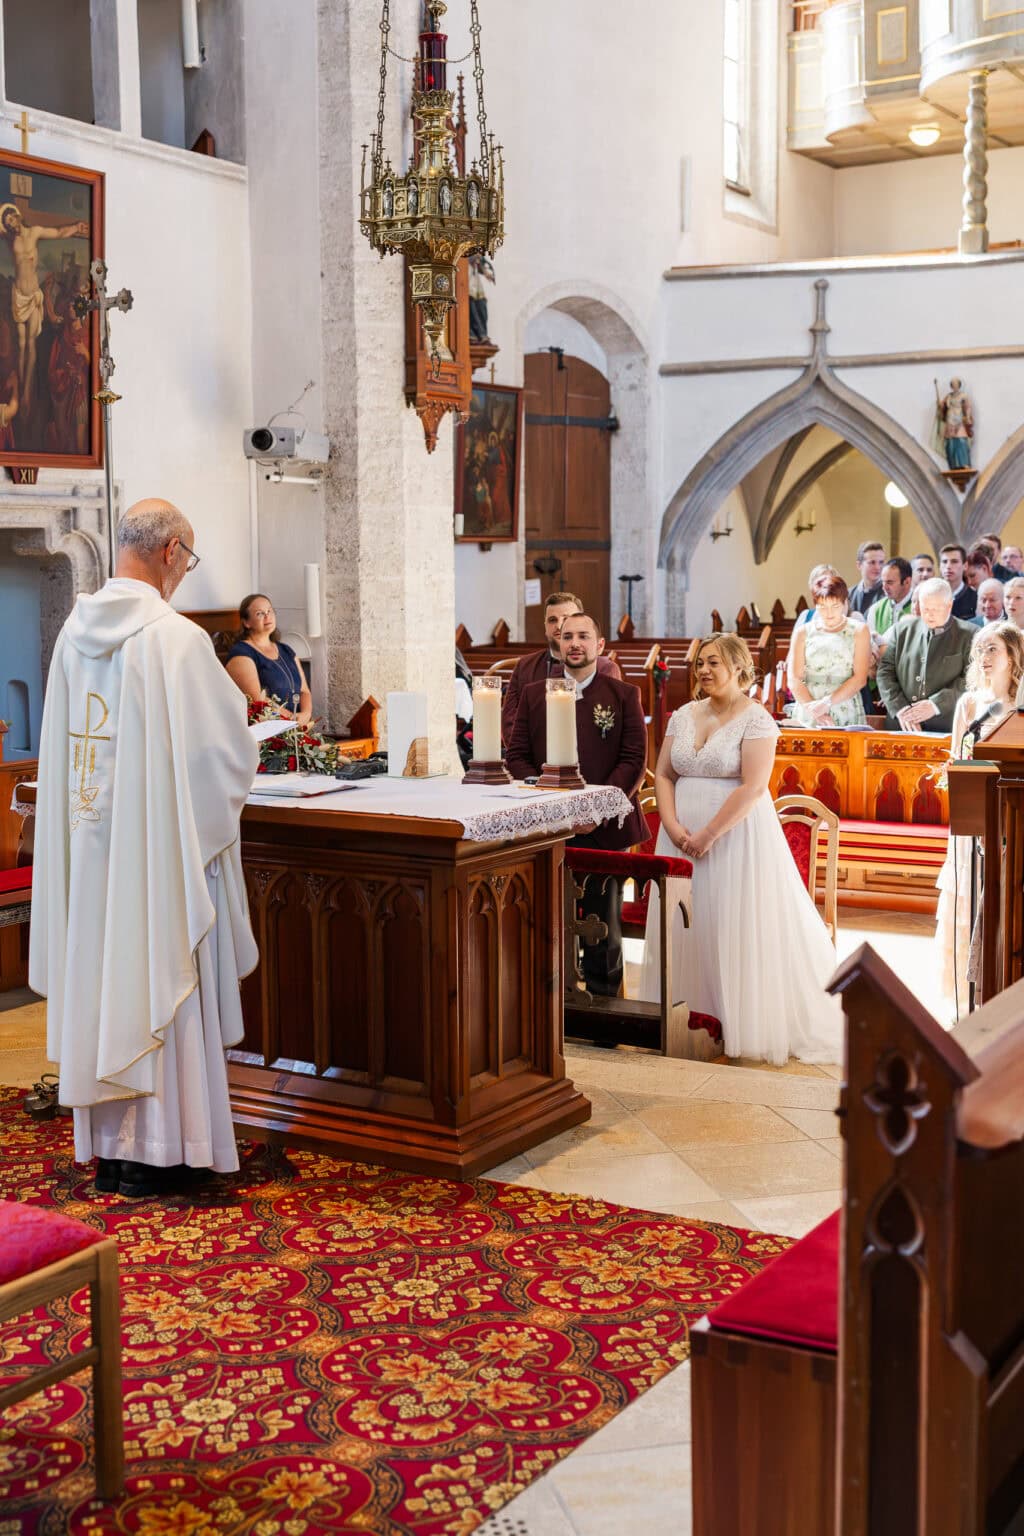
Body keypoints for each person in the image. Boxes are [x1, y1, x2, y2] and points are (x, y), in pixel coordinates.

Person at [29, 500, 259, 1197]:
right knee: (162, 977)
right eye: (188, 560)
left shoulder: (73, 634)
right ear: (170, 552)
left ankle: (114, 1155)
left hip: (90, 856)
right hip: (156, 863)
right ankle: (169, 1153)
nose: (185, 574)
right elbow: (225, 755)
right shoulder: (176, 640)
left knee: (103, 983)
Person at [639, 633, 841, 1064]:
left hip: (733, 836)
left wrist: (709, 834)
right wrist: (672, 826)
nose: (704, 671)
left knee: (727, 920)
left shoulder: (756, 719)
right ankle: (680, 1017)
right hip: (678, 836)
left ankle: (735, 1020)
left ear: (738, 668)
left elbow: (753, 787)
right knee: (685, 923)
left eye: (714, 662)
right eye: (700, 664)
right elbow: (664, 774)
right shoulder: (683, 715)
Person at [507, 614, 646, 996]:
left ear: (599, 645)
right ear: (558, 644)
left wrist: (594, 810)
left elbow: (633, 760)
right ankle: (552, 1005)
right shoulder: (535, 694)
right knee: (546, 923)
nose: (574, 643)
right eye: (567, 636)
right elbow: (517, 757)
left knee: (602, 926)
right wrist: (553, 805)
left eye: (584, 636)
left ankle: (604, 1009)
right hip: (548, 829)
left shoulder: (623, 695)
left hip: (604, 831)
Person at [935, 623, 1024, 1020]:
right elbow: (957, 758)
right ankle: (967, 997)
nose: (984, 657)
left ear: (1013, 657)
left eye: (993, 650)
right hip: (975, 822)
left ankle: (1003, 988)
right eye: (981, 649)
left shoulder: (1020, 707)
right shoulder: (970, 705)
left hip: (1012, 818)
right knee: (969, 901)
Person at [0, 202, 88, 413]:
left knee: (31, 345)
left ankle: (27, 392)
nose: (11, 224)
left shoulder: (35, 232)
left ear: (18, 216)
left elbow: (58, 233)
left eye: (12, 219)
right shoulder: (10, 240)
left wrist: (76, 227)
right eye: (7, 223)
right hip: (19, 296)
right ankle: (21, 387)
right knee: (22, 345)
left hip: (32, 296)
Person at [501, 590, 620, 740]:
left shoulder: (604, 668)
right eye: (552, 620)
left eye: (566, 618)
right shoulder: (525, 666)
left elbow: (606, 724)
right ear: (545, 627)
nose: (559, 626)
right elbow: (509, 723)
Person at [876, 576, 975, 732]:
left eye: (935, 609)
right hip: (901, 725)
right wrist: (900, 709)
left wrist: (935, 704)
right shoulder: (901, 630)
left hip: (947, 726)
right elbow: (884, 672)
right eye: (925, 609)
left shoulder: (970, 634)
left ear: (949, 605)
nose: (929, 615)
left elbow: (972, 679)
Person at [787, 574, 869, 728]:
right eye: (822, 606)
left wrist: (827, 702)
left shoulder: (859, 630)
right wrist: (813, 709)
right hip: (809, 706)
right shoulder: (803, 632)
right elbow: (794, 678)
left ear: (844, 603)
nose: (829, 613)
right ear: (815, 604)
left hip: (844, 705)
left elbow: (860, 678)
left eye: (835, 606)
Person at [226, 594, 312, 726]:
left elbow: (304, 691)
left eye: (269, 611)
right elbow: (257, 699)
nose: (267, 616)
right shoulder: (241, 654)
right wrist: (292, 719)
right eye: (260, 613)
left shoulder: (287, 650)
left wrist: (306, 714)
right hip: (268, 729)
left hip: (297, 726)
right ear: (246, 622)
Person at [867, 557, 913, 638]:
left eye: (890, 582)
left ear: (907, 582)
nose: (884, 587)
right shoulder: (876, 609)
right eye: (883, 582)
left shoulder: (921, 607)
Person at [935, 377, 973, 471]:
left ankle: (964, 463)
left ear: (959, 386)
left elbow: (967, 407)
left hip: (959, 419)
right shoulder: (948, 396)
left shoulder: (963, 396)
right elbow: (943, 406)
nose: (954, 386)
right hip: (950, 419)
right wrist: (940, 405)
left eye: (956, 384)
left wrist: (968, 417)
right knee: (950, 441)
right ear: (951, 386)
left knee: (961, 440)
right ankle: (953, 464)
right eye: (953, 385)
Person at [939, 543, 977, 620]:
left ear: (965, 566)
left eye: (954, 561)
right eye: (944, 562)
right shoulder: (931, 595)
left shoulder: (975, 598)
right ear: (939, 566)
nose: (948, 566)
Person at [848, 541, 886, 615]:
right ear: (859, 565)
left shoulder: (889, 594)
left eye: (881, 562)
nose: (877, 567)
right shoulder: (849, 595)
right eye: (872, 562)